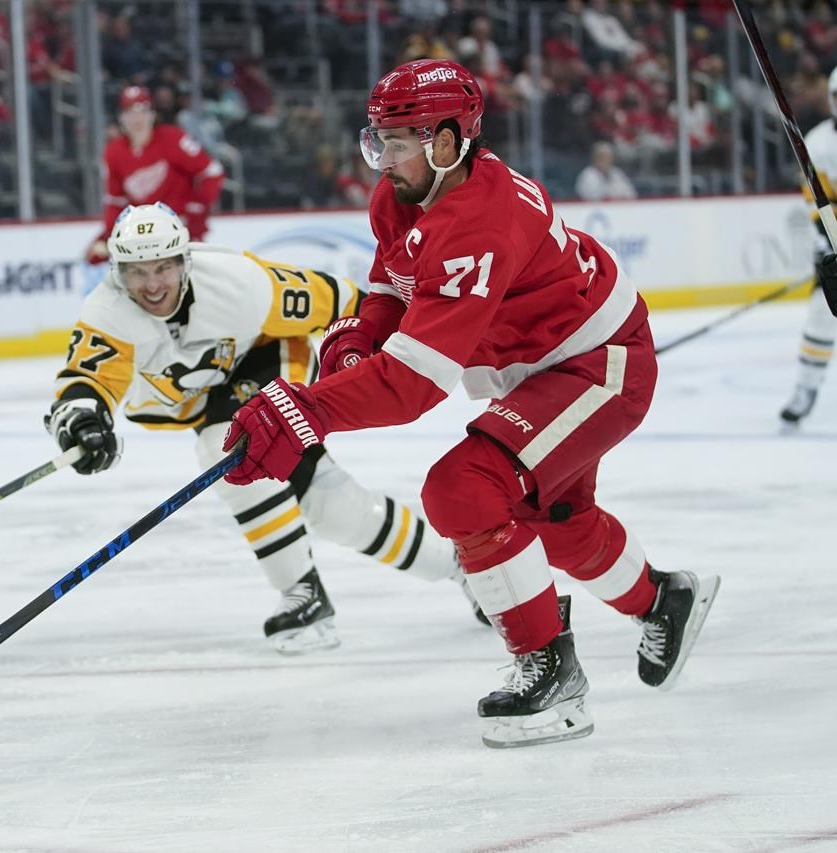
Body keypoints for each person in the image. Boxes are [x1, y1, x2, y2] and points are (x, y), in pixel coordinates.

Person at [220, 60, 721, 748]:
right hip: (540, 366)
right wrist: (361, 335)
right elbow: (394, 285)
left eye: (399, 142)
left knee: (465, 489)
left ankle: (550, 669)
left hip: (597, 364)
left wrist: (304, 410)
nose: (383, 159)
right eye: (379, 140)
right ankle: (664, 600)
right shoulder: (404, 193)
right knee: (556, 521)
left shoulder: (480, 220)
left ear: (449, 142)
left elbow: (413, 384)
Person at [49, 203, 485, 654]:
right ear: (118, 273)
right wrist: (83, 421)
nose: (153, 284)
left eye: (163, 267)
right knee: (333, 508)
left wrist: (402, 347)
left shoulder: (241, 284)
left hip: (267, 363)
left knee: (226, 445)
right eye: (138, 272)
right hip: (202, 401)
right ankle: (462, 566)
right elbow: (87, 380)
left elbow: (342, 301)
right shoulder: (107, 311)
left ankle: (302, 591)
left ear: (185, 261)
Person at [84, 86, 225, 265]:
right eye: (130, 112)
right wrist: (107, 237)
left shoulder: (173, 138)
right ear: (121, 117)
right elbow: (115, 201)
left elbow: (212, 172)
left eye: (142, 111)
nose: (137, 119)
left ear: (152, 114)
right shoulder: (114, 152)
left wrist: (196, 209)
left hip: (180, 228)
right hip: (143, 235)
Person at [779, 66, 837, 428]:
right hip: (836, 242)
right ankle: (806, 387)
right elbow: (818, 206)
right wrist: (829, 243)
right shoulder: (818, 144)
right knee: (821, 314)